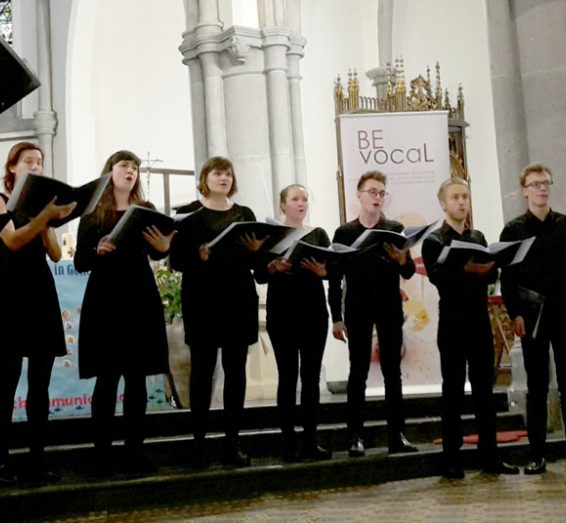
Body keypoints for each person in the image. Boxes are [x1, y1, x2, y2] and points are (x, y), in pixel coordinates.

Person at [499, 163, 566, 475]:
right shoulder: (514, 229)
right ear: (525, 190)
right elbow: (508, 279)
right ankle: (537, 456)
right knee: (537, 385)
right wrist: (514, 313)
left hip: (564, 311)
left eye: (546, 183)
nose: (542, 188)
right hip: (531, 315)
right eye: (535, 184)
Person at [74, 150, 174, 474]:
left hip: (139, 297)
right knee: (107, 379)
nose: (130, 171)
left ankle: (134, 453)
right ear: (110, 171)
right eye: (124, 166)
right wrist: (97, 250)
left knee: (136, 380)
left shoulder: (145, 210)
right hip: (105, 300)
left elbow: (158, 252)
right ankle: (101, 455)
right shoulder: (93, 211)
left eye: (134, 167)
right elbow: (79, 262)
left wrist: (163, 248)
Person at [0, 142, 75, 484]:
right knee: (7, 380)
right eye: (28, 161)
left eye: (39, 162)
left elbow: (53, 254)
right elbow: (12, 241)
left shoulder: (41, 207)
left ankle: (38, 458)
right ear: (12, 167)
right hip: (11, 293)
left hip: (40, 292)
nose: (35, 166)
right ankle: (1, 461)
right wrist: (43, 218)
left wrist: (49, 222)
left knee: (41, 384)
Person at [170, 156, 267, 467]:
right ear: (205, 178)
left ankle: (231, 443)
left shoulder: (244, 214)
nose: (223, 178)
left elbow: (257, 263)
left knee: (236, 372)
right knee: (202, 371)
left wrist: (256, 253)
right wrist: (197, 255)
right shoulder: (189, 216)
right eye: (217, 173)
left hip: (238, 297)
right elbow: (177, 262)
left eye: (228, 174)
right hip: (203, 299)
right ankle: (198, 444)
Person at [422, 177, 519, 479]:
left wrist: (487, 269)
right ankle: (452, 459)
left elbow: (491, 276)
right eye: (455, 197)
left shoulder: (477, 237)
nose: (462, 202)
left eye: (465, 196)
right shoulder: (434, 240)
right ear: (443, 203)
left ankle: (489, 457)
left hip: (479, 321)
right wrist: (465, 270)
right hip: (452, 321)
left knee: (484, 392)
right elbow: (438, 277)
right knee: (452, 391)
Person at [327, 171, 418, 457]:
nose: (377, 197)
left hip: (389, 306)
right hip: (357, 306)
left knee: (393, 372)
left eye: (381, 193)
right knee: (358, 371)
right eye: (372, 192)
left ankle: (397, 434)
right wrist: (336, 317)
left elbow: (408, 271)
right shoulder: (344, 233)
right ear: (359, 195)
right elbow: (333, 278)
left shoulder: (395, 228)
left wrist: (402, 259)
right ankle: (355, 436)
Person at [255, 184, 332, 462]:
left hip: (313, 313)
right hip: (282, 312)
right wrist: (271, 268)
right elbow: (260, 275)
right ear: (283, 204)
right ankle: (287, 441)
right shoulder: (271, 235)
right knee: (288, 376)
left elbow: (330, 271)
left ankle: (311, 440)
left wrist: (322, 271)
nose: (301, 203)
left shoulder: (318, 234)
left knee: (311, 378)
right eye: (295, 199)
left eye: (305, 199)